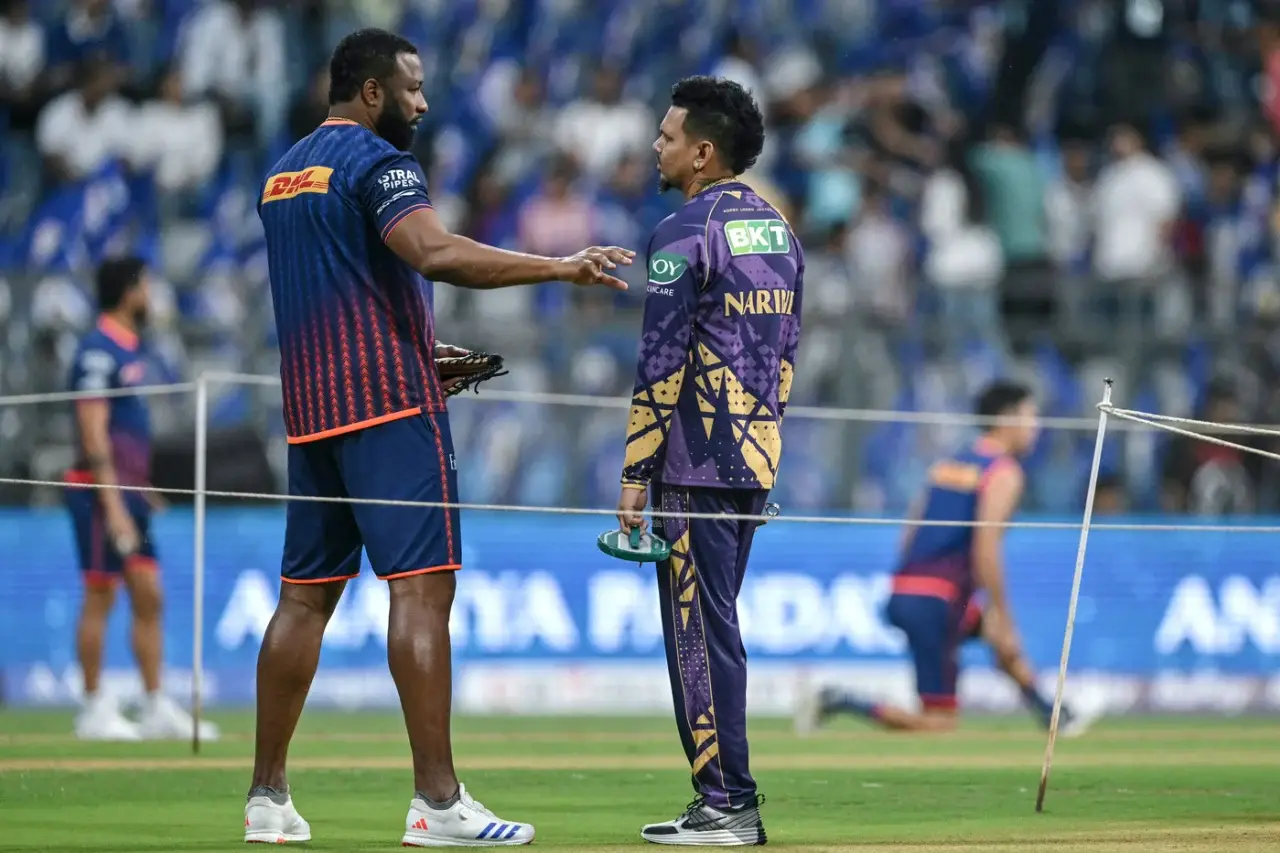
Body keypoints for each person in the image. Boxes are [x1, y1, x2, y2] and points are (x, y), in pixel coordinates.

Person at [246, 28, 631, 847]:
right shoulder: (381, 162)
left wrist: (420, 343)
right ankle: (438, 802)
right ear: (373, 92)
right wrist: (560, 266)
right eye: (412, 88)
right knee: (421, 592)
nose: (423, 103)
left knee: (303, 599)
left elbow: (341, 286)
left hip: (313, 414)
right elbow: (433, 253)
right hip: (391, 409)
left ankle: (267, 798)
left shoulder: (282, 174)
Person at [616, 75, 802, 847]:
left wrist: (636, 472)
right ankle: (725, 800)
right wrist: (763, 453)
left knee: (698, 633)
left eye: (666, 136)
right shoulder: (779, 230)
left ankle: (727, 803)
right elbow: (785, 353)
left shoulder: (684, 231)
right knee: (718, 626)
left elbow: (661, 360)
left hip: (692, 467)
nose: (655, 146)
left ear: (701, 152)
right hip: (752, 460)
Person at [795, 381, 1094, 737]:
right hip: (939, 599)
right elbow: (986, 548)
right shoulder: (1003, 473)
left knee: (998, 643)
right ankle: (838, 699)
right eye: (1031, 417)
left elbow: (910, 532)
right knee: (940, 722)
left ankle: (1055, 714)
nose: (1037, 428)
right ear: (1005, 419)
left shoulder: (947, 466)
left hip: (910, 588)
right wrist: (1002, 614)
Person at [65, 256, 220, 743]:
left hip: (129, 492)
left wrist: (141, 489)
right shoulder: (96, 352)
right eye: (146, 285)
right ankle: (92, 706)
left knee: (149, 595)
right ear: (129, 291)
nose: (151, 296)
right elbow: (93, 433)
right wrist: (114, 506)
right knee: (101, 594)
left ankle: (155, 705)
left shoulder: (130, 348)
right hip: (98, 493)